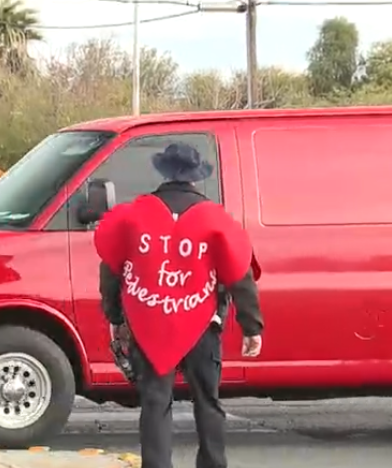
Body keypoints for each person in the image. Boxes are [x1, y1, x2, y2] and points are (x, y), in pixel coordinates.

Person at [94, 142, 264, 468]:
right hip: (204, 324)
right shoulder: (215, 219)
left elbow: (111, 268)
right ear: (195, 178)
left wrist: (115, 316)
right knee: (208, 402)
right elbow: (239, 272)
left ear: (163, 173)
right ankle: (213, 463)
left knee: (155, 402)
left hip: (149, 325)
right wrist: (251, 325)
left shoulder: (133, 215)